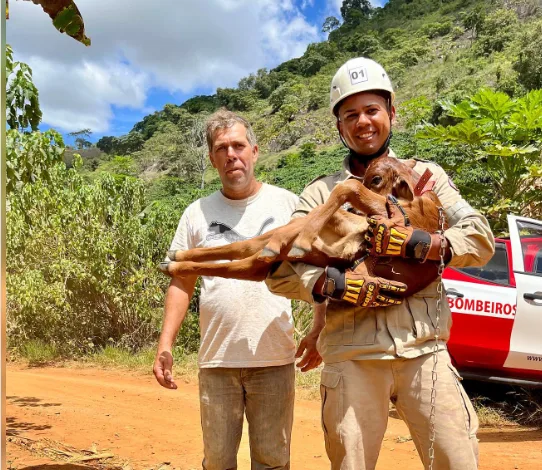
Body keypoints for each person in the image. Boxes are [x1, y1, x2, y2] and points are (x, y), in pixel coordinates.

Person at [265, 57, 495, 470]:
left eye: (372, 110)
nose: (363, 122)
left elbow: (480, 237)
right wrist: (327, 283)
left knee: (457, 461)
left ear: (392, 112)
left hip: (424, 350)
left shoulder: (426, 177)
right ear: (339, 127)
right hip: (351, 354)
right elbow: (280, 268)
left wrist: (427, 243)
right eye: (350, 114)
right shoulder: (320, 194)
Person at [153, 109, 321, 470]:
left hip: (274, 358)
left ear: (255, 151)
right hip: (217, 362)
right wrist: (165, 344)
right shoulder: (195, 213)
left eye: (239, 146)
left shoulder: (288, 205)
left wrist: (318, 328)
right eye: (222, 148)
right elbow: (181, 281)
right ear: (213, 158)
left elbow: (317, 269)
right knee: (217, 462)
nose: (232, 154)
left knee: (273, 461)